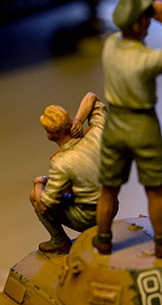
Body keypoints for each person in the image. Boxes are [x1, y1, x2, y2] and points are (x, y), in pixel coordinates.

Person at [95, 0, 162, 258]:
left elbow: (123, 34)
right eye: (145, 18)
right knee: (154, 189)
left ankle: (103, 239)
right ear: (138, 24)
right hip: (143, 126)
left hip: (115, 124)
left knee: (109, 187)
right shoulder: (146, 60)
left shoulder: (109, 44)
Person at [31, 91, 111, 253]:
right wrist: (79, 120)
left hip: (89, 216)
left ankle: (59, 240)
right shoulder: (97, 132)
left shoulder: (60, 162)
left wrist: (39, 184)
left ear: (50, 136)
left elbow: (45, 204)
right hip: (110, 204)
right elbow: (92, 97)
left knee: (34, 196)